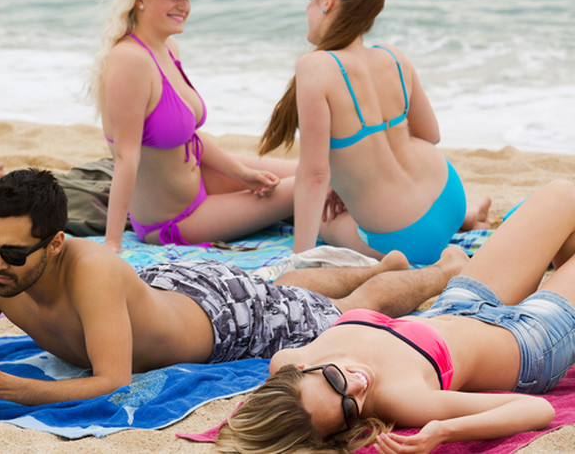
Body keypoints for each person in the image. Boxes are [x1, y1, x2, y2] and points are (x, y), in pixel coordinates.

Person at [0, 168, 467, 406]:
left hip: (224, 319)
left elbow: (111, 382)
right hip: (168, 286)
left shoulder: (93, 269)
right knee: (287, 288)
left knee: (341, 312)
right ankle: (374, 265)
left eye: (12, 253)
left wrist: (7, 387)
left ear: (55, 243)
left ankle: (438, 271)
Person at [216, 180, 575, 453]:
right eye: (349, 411)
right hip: (531, 341)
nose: (358, 388)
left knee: (563, 195)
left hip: (461, 302)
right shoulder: (404, 400)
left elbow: (265, 422)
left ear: (297, 374)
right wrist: (444, 431)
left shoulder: (287, 361)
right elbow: (538, 410)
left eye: (335, 380)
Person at [259, 0, 490, 264]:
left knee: (323, 223)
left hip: (406, 238)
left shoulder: (314, 66)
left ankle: (466, 218)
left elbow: (315, 175)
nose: (307, 8)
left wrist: (299, 261)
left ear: (327, 1)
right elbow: (430, 135)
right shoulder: (393, 56)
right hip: (450, 195)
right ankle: (467, 216)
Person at [90, 0, 306, 252]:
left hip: (203, 181)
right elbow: (125, 156)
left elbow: (191, 135)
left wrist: (243, 175)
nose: (184, 5)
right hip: (175, 220)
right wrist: (112, 243)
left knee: (316, 170)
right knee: (320, 182)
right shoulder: (129, 60)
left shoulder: (167, 49)